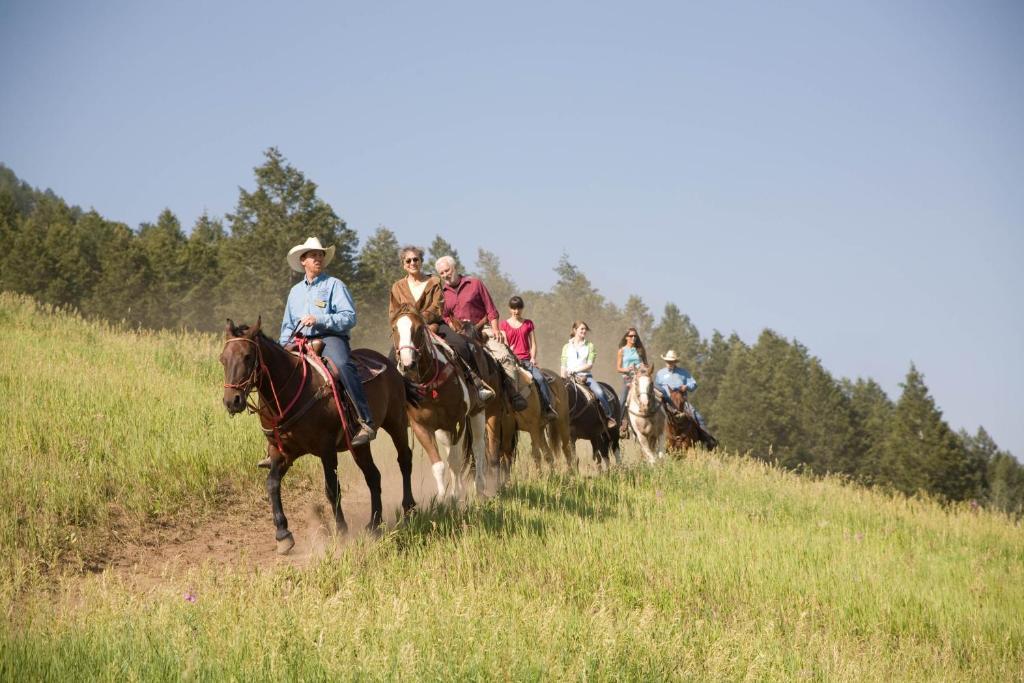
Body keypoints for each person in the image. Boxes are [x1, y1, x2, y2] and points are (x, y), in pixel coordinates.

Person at [279, 236, 376, 447]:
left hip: (329, 337)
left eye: (321, 254)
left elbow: (349, 317)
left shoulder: (334, 285)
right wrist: (283, 347)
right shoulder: (295, 292)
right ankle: (278, 438)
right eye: (313, 255)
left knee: (342, 365)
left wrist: (320, 319)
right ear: (303, 260)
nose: (318, 258)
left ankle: (365, 421)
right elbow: (287, 325)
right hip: (300, 341)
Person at [389, 247, 491, 401]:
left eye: (416, 259)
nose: (412, 263)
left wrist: (421, 322)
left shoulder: (434, 281)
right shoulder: (397, 287)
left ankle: (476, 386)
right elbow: (394, 313)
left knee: (461, 345)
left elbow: (438, 307)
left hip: (435, 325)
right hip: (409, 330)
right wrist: (410, 325)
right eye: (408, 260)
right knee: (390, 359)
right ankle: (395, 398)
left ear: (421, 261)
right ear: (403, 264)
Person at [435, 255, 504, 400]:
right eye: (441, 273)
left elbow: (491, 309)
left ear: (455, 268)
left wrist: (496, 329)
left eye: (447, 270)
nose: (445, 275)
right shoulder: (443, 294)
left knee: (504, 357)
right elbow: (445, 315)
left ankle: (512, 394)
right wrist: (452, 325)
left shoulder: (475, 283)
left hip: (483, 328)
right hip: (460, 334)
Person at [499, 296, 557, 420]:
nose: (516, 311)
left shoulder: (528, 323)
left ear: (522, 308)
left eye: (519, 308)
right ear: (509, 309)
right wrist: (511, 355)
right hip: (511, 361)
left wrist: (532, 358)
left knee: (540, 379)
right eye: (514, 308)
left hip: (526, 361)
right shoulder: (504, 324)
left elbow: (533, 344)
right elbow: (505, 344)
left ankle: (547, 408)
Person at [560, 321, 616, 429]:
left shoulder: (590, 346)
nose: (584, 331)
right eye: (581, 329)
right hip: (568, 378)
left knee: (599, 392)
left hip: (585, 377)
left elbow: (589, 365)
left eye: (585, 329)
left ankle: (608, 417)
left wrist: (574, 370)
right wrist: (563, 378)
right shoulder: (566, 347)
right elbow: (563, 365)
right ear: (575, 330)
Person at [654, 349, 707, 429]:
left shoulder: (683, 372)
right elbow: (656, 387)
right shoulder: (660, 373)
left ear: (675, 362)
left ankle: (707, 439)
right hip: (665, 402)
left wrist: (687, 386)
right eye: (668, 361)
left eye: (671, 361)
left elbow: (694, 384)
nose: (669, 363)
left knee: (698, 418)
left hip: (681, 402)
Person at [616, 327, 649, 437]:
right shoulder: (621, 351)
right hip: (628, 379)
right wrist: (628, 369)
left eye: (635, 336)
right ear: (626, 337)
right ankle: (618, 425)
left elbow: (646, 365)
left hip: (640, 377)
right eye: (631, 336)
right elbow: (618, 368)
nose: (633, 338)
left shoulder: (640, 350)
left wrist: (643, 367)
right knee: (622, 401)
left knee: (655, 394)